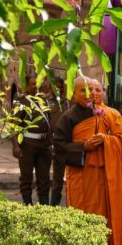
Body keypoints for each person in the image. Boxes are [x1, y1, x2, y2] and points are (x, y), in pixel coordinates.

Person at [54, 77, 122, 245]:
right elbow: (58, 146)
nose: (91, 94)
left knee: (112, 213)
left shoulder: (111, 115)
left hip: (109, 176)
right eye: (85, 90)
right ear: (74, 94)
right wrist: (84, 145)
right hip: (84, 176)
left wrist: (107, 140)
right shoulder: (69, 117)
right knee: (87, 214)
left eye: (96, 90)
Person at [12, 74, 52, 205]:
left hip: (44, 145)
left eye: (38, 84)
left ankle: (44, 208)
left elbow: (49, 123)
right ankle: (28, 207)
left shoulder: (43, 100)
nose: (36, 87)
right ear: (26, 85)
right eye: (33, 84)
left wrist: (51, 144)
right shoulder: (21, 101)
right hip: (27, 144)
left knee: (44, 179)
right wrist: (16, 146)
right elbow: (14, 125)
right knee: (26, 178)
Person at [46, 77, 68, 206]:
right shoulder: (46, 103)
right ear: (50, 88)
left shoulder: (69, 103)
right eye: (56, 87)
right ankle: (53, 206)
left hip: (67, 144)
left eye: (61, 87)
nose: (59, 90)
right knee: (56, 177)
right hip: (52, 144)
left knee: (68, 177)